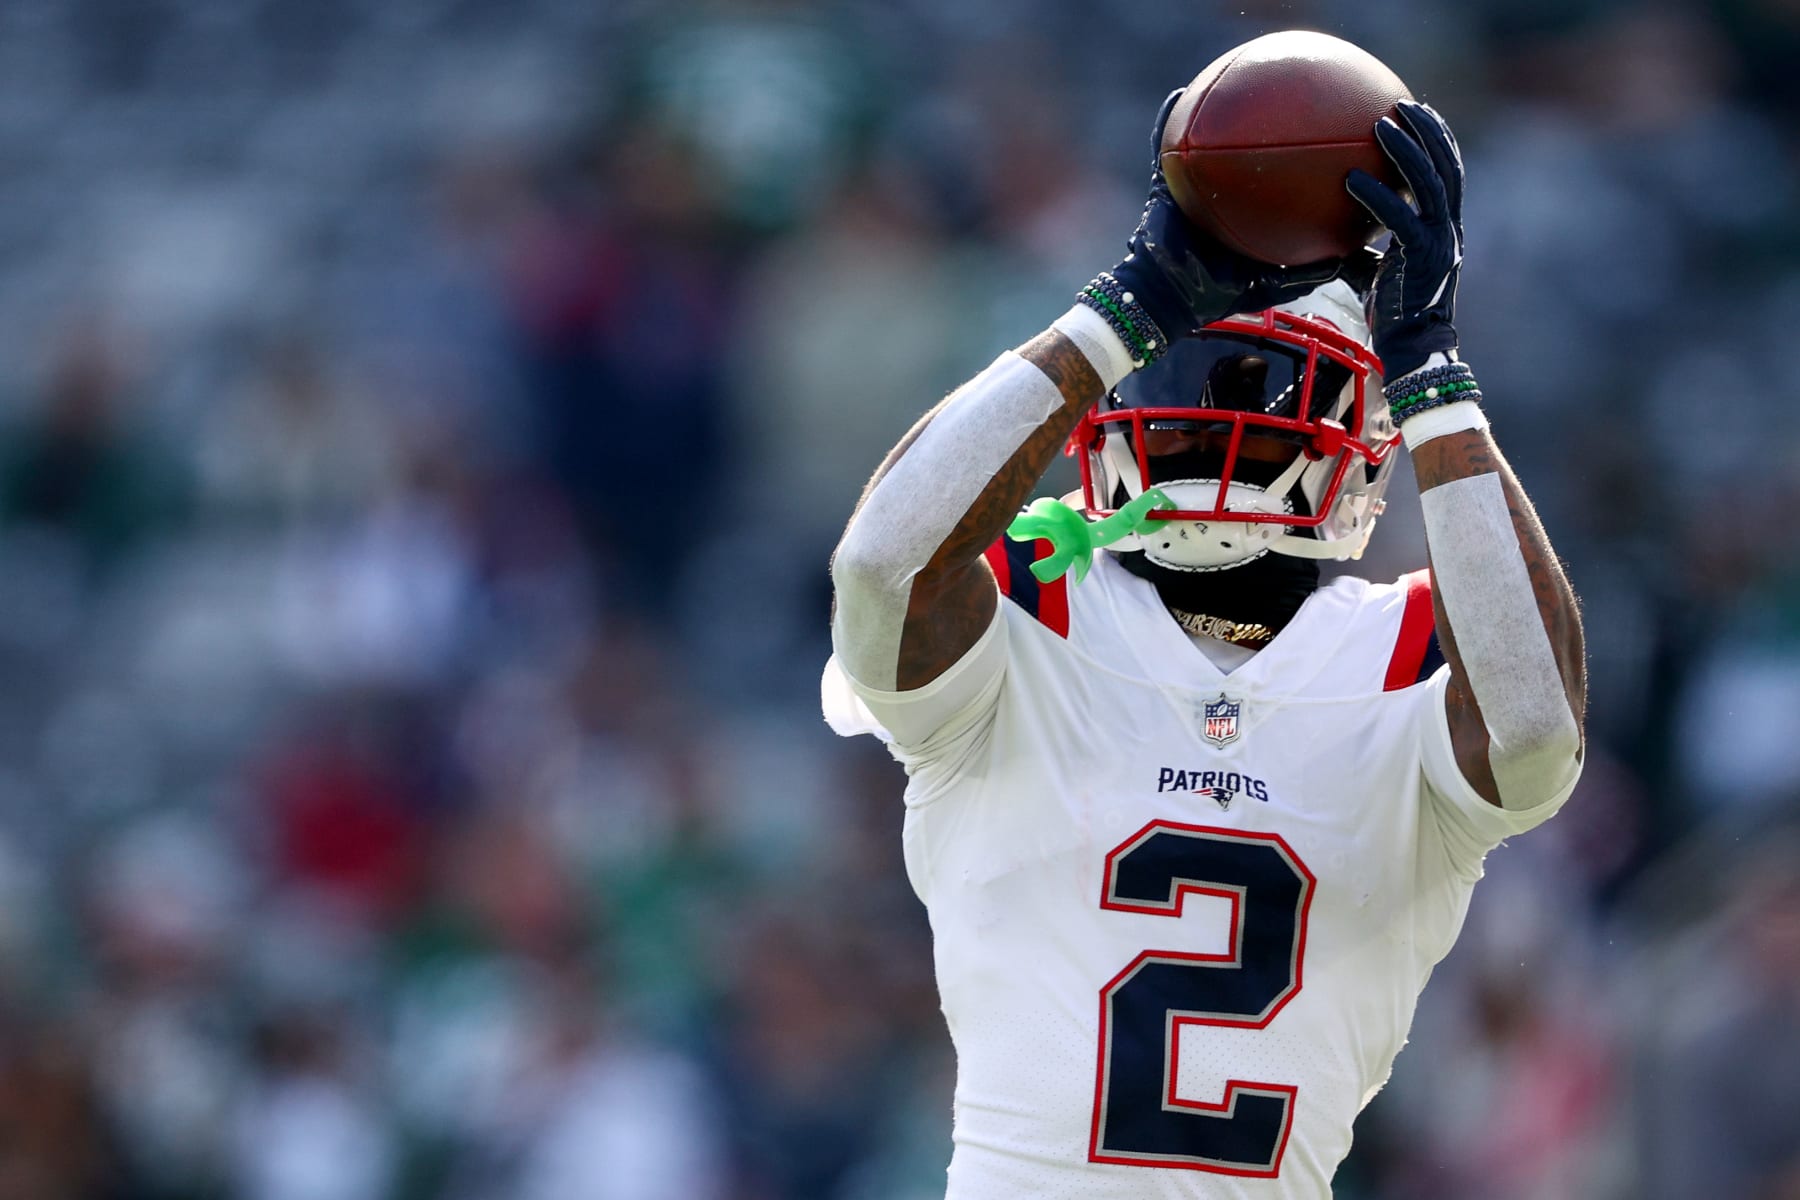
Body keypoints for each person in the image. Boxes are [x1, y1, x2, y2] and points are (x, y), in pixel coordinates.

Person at [821, 90, 1585, 1199]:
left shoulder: (1412, 649)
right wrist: (1119, 309)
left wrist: (1431, 369)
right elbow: (879, 567)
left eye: (1259, 383)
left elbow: (1534, 732)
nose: (1218, 412)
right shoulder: (1035, 607)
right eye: (1183, 372)